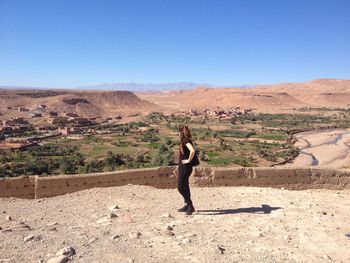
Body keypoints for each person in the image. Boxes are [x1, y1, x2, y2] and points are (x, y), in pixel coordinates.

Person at [177, 125, 196, 215]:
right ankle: (186, 205)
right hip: (184, 167)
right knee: (185, 187)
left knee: (180, 187)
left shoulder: (185, 141)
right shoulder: (184, 141)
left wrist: (188, 160)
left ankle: (191, 206)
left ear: (180, 133)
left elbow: (192, 151)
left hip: (185, 167)